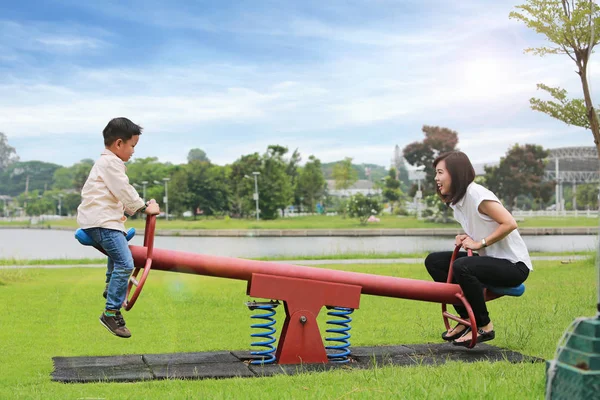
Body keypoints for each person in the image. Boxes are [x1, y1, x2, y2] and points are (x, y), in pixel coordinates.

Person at [424, 151, 532, 346]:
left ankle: (485, 325)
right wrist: (468, 238)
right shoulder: (458, 201)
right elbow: (482, 226)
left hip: (513, 265)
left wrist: (479, 243)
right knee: (435, 262)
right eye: (436, 173)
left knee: (462, 265)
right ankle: (466, 319)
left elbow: (509, 223)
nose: (436, 178)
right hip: (490, 260)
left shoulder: (477, 195)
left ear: (455, 173)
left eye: (440, 172)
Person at [77, 117, 160, 338]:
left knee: (118, 249)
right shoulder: (111, 163)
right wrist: (144, 207)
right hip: (102, 222)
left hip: (102, 221)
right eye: (132, 146)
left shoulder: (106, 163)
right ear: (119, 144)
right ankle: (110, 313)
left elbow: (116, 195)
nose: (133, 151)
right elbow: (123, 189)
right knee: (125, 263)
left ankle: (109, 287)